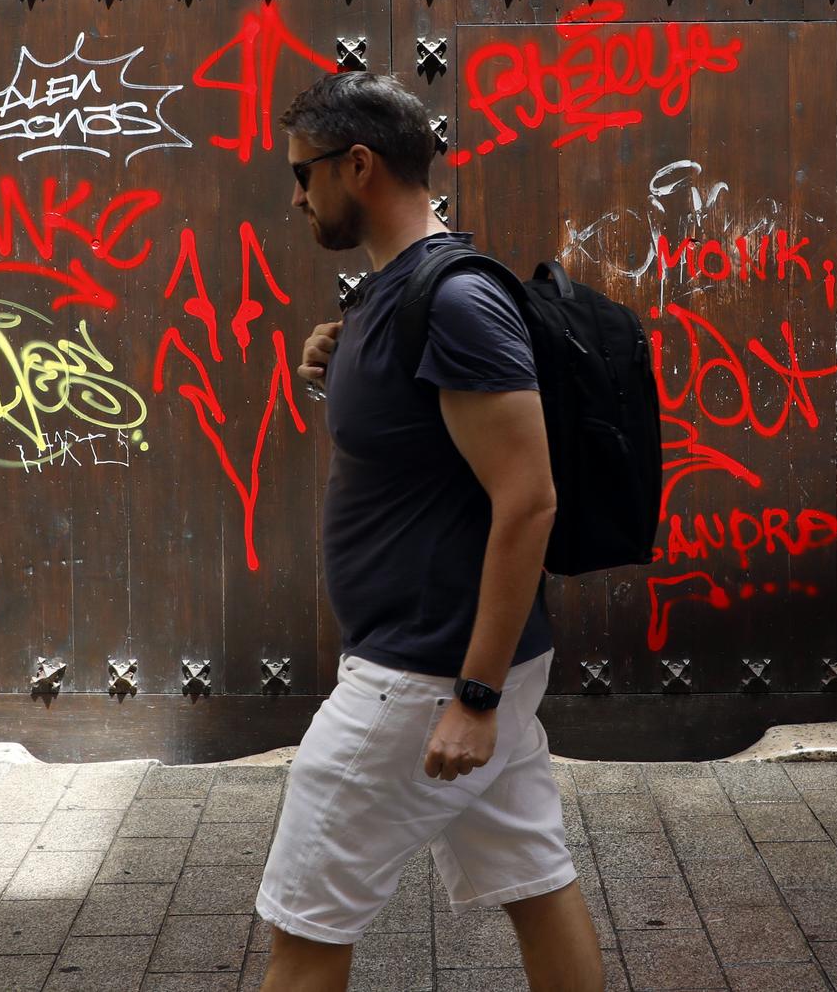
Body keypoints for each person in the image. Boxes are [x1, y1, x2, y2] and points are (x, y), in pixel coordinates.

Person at [255, 72, 604, 992]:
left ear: (357, 165)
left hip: (422, 677)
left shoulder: (453, 300)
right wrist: (345, 356)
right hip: (450, 660)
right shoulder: (391, 293)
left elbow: (528, 498)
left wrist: (476, 697)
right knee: (536, 881)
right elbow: (427, 449)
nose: (296, 196)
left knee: (303, 927)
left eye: (303, 174)